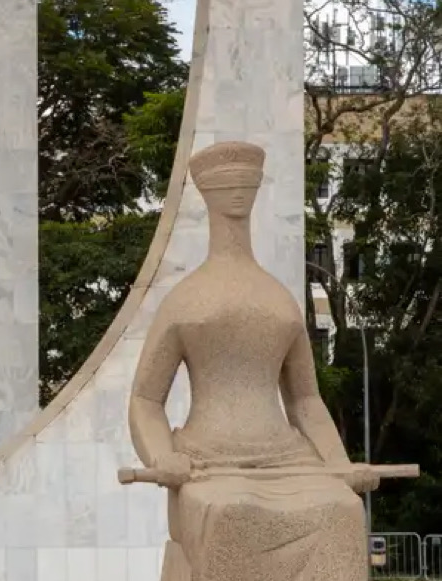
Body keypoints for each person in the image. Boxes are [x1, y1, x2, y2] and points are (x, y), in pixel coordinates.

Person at [127, 141, 378, 581]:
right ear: (209, 194)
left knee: (343, 509)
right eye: (227, 185)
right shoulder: (184, 300)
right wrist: (163, 455)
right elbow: (146, 400)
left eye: (245, 183)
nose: (237, 193)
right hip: (210, 461)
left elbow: (305, 401)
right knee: (233, 513)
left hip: (288, 459)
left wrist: (339, 464)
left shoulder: (279, 300)